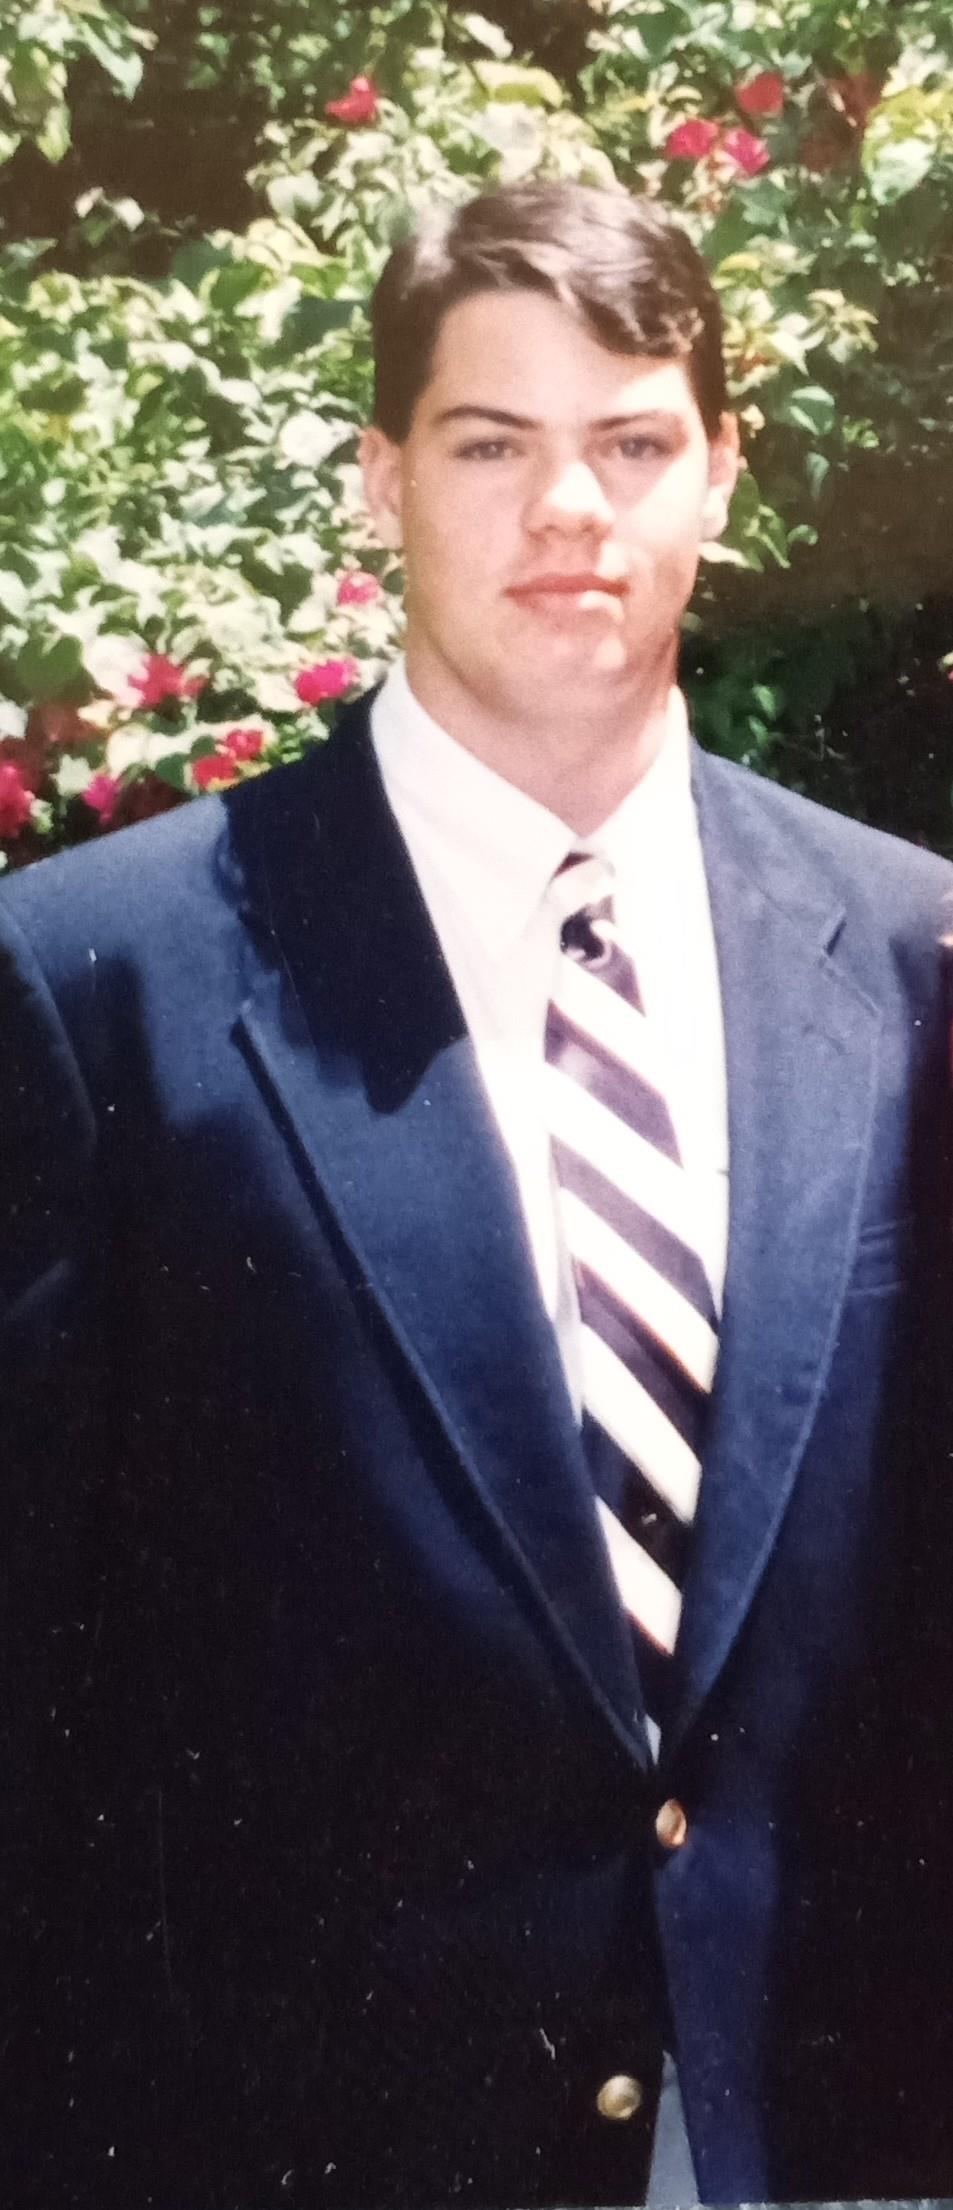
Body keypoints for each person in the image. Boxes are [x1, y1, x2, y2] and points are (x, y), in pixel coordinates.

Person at [2, 180, 953, 2210]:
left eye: (629, 442)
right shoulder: (101, 980)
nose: (568, 512)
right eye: (490, 443)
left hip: (826, 2129)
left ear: (721, 472)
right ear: (380, 476)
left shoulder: (909, 960)